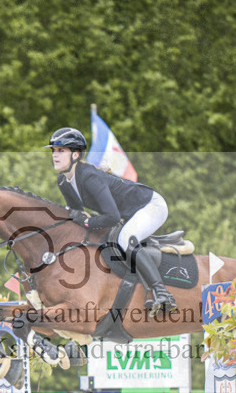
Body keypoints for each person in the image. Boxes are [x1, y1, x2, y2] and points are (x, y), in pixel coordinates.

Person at [46, 126, 176, 315]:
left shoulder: (89, 177)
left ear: (75, 155)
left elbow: (111, 217)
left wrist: (87, 223)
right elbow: (76, 214)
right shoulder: (63, 181)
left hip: (151, 206)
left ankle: (162, 294)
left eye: (61, 150)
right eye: (53, 151)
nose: (55, 155)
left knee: (125, 240)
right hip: (131, 213)